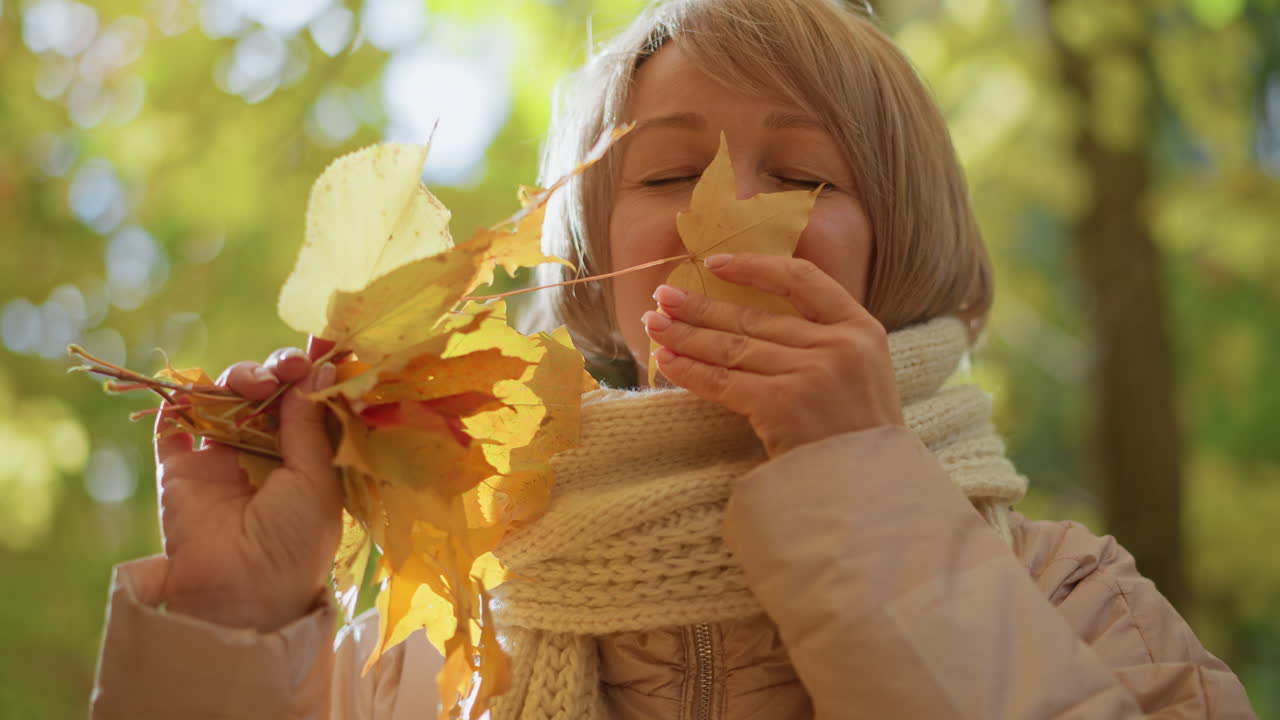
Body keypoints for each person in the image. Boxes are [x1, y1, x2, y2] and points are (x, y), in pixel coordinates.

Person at [90, 1, 1257, 718]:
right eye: (662, 176)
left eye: (801, 177)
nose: (720, 215)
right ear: (593, 269)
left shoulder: (1072, 601)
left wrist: (855, 483)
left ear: (894, 256)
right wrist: (230, 630)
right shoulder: (434, 646)